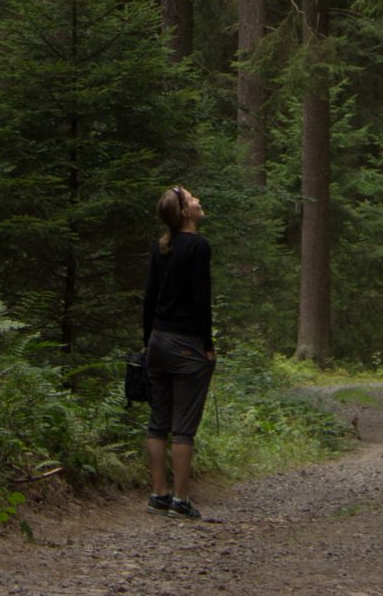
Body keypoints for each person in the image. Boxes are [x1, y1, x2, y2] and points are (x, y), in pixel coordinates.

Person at [141, 183, 215, 520]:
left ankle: (159, 492)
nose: (198, 200)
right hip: (187, 344)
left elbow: (149, 298)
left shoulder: (162, 247)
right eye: (192, 198)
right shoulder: (198, 247)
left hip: (157, 340)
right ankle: (181, 499)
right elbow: (202, 300)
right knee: (183, 426)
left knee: (158, 422)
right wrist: (207, 345)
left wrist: (148, 342)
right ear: (185, 213)